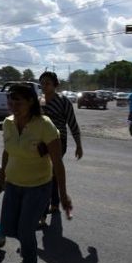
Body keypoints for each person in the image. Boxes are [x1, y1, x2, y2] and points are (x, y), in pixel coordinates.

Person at [0, 83, 72, 263]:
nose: (13, 105)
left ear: (31, 101)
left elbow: (58, 163)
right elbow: (7, 152)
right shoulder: (7, 123)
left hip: (38, 187)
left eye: (18, 101)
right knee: (8, 227)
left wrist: (63, 195)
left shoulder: (44, 125)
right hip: (13, 184)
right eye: (10, 101)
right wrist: (2, 178)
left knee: (25, 230)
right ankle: (27, 244)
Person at [38, 72, 82, 226]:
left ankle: (41, 217)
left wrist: (79, 145)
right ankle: (54, 204)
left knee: (47, 174)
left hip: (58, 141)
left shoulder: (63, 101)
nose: (44, 86)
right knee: (51, 174)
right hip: (41, 142)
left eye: (48, 83)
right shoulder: (39, 102)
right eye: (42, 83)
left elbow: (72, 124)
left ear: (55, 85)